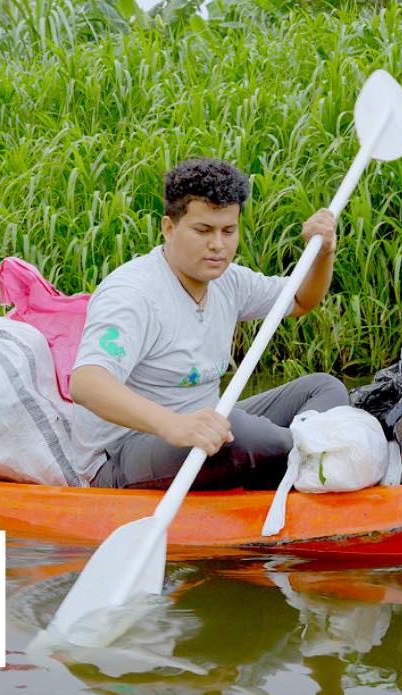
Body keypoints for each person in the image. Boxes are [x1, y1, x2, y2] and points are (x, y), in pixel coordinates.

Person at [70, 158, 350, 489]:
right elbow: (86, 382)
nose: (218, 245)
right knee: (240, 432)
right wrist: (172, 425)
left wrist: (323, 253)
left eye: (228, 231)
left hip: (209, 430)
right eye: (203, 231)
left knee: (323, 387)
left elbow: (303, 300)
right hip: (123, 454)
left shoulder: (229, 281)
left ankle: (301, 456)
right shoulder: (133, 293)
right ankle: (321, 458)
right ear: (169, 228)